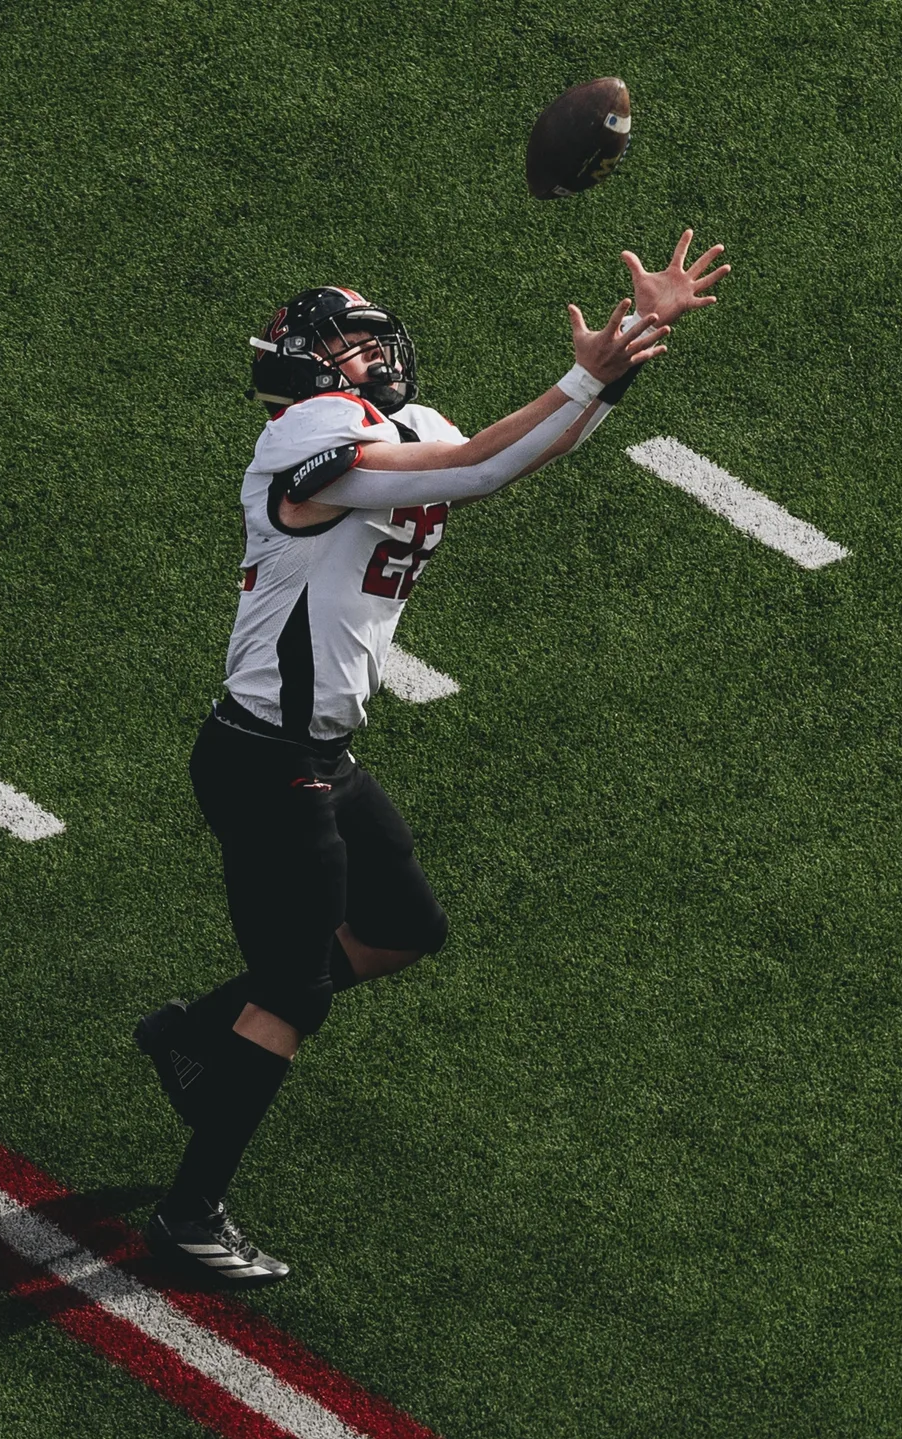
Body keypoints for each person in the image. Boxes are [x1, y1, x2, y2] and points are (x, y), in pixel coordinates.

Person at [137, 233, 730, 1283]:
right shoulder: (303, 436)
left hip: (318, 752)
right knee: (297, 993)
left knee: (404, 927)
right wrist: (584, 373)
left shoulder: (398, 425)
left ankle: (197, 1035)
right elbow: (468, 463)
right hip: (265, 756)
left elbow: (500, 461)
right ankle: (191, 1214)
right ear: (307, 361)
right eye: (351, 346)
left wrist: (624, 355)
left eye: (374, 341)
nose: (376, 357)